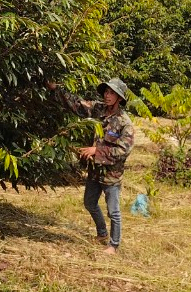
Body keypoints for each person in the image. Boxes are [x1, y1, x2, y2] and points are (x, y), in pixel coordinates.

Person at [46, 78, 135, 254]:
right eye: (106, 92)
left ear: (119, 98)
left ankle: (114, 244)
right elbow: (77, 104)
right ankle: (102, 233)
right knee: (89, 203)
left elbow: (123, 151)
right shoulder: (97, 109)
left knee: (113, 211)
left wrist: (97, 150)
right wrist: (55, 89)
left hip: (111, 175)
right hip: (94, 171)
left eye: (112, 93)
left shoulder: (125, 123)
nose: (107, 96)